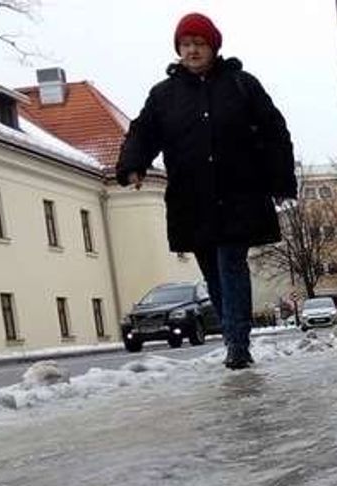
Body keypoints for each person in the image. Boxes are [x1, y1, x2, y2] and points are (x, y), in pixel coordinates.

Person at [117, 12, 296, 369]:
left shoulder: (242, 85)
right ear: (178, 50)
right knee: (213, 271)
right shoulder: (164, 96)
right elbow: (143, 131)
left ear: (213, 47)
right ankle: (232, 335)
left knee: (231, 263)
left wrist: (279, 183)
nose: (192, 50)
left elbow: (275, 131)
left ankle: (238, 342)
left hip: (238, 193)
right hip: (192, 199)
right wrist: (133, 165)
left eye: (199, 43)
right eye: (186, 44)